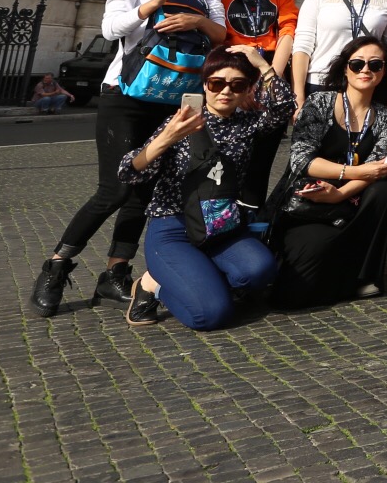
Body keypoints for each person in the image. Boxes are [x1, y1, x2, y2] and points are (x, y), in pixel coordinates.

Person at [30, 0, 228, 319]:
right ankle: (56, 266)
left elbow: (221, 34)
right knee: (115, 188)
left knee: (145, 191)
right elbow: (110, 29)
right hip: (128, 91)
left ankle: (115, 273)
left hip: (181, 96)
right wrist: (153, 3)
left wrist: (195, 18)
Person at [118, 44, 289, 329]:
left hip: (221, 225)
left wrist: (262, 65)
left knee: (260, 271)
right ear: (205, 84)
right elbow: (128, 172)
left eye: (237, 85)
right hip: (174, 226)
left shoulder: (247, 124)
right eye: (217, 83)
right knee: (210, 315)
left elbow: (284, 108)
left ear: (248, 89)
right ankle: (151, 285)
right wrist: (166, 139)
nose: (225, 91)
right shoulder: (180, 123)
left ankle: (200, 274)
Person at [267, 36, 387, 308]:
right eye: (357, 63)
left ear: (384, 71)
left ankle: (365, 276)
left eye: (375, 64)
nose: (366, 70)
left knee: (383, 191)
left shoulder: (386, 117)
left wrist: (339, 194)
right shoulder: (320, 102)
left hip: (349, 202)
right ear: (345, 68)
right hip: (309, 203)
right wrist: (350, 174)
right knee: (294, 294)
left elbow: (376, 172)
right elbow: (302, 160)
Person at [220, 0, 302, 215]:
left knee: (260, 164)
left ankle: (251, 227)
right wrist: (238, 86)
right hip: (230, 75)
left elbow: (288, 33)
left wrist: (269, 80)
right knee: (224, 162)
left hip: (269, 75)